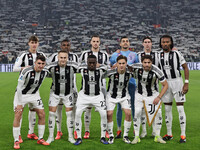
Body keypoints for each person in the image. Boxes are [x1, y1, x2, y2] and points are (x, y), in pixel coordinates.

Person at [13, 35, 46, 143]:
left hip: (34, 89)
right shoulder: (23, 55)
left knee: (33, 111)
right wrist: (26, 68)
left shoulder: (42, 55)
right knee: (19, 112)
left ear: (38, 44)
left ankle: (31, 132)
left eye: (36, 42)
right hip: (23, 87)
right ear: (29, 43)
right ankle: (18, 136)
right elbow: (14, 68)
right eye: (32, 42)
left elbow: (46, 68)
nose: (34, 44)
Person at [158, 35, 189, 143]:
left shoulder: (176, 53)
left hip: (177, 82)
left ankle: (183, 135)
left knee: (180, 108)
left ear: (171, 43)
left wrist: (186, 83)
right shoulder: (158, 55)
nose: (165, 44)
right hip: (166, 84)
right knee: (167, 109)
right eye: (163, 42)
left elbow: (185, 67)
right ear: (161, 43)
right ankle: (169, 134)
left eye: (167, 42)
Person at [130, 55, 168, 144]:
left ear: (152, 62)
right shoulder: (136, 67)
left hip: (153, 95)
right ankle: (136, 137)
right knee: (137, 112)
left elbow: (165, 85)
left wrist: (159, 97)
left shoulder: (156, 70)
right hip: (139, 94)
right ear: (142, 63)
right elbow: (125, 67)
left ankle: (157, 136)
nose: (147, 65)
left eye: (149, 62)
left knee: (158, 113)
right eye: (145, 62)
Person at [79, 35, 110, 139]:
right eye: (94, 41)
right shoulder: (84, 54)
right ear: (91, 42)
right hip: (87, 84)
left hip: (101, 85)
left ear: (100, 43)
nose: (96, 43)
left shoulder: (104, 55)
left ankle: (105, 131)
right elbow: (79, 66)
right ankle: (87, 131)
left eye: (97, 41)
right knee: (88, 109)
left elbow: (108, 67)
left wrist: (100, 66)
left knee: (103, 110)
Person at [47, 39, 78, 140]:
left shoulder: (75, 58)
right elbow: (46, 71)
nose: (66, 46)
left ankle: (74, 133)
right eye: (64, 45)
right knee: (57, 112)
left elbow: (82, 68)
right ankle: (58, 131)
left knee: (72, 111)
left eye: (67, 45)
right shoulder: (53, 60)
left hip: (71, 89)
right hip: (56, 90)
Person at [74, 55, 108, 145]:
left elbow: (106, 67)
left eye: (94, 63)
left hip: (97, 96)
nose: (92, 65)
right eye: (90, 63)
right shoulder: (82, 70)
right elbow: (76, 66)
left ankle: (103, 137)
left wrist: (100, 65)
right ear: (87, 63)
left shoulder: (100, 70)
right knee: (77, 114)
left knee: (104, 114)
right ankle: (78, 137)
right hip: (84, 96)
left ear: (96, 63)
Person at [109, 36, 139, 138]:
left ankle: (135, 129)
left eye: (127, 41)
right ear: (120, 44)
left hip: (131, 83)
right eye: (123, 41)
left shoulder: (134, 55)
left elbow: (138, 68)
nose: (125, 43)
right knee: (119, 107)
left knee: (132, 106)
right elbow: (111, 67)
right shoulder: (115, 55)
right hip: (119, 84)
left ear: (129, 44)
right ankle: (119, 129)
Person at [106, 55, 133, 144]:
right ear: (116, 64)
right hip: (111, 96)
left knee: (128, 114)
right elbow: (100, 76)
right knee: (109, 114)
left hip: (124, 96)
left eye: (123, 63)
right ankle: (111, 136)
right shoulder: (111, 73)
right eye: (120, 63)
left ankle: (125, 136)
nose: (121, 65)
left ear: (126, 64)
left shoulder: (130, 72)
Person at [137, 36, 160, 138]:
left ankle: (155, 131)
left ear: (151, 44)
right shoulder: (138, 55)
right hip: (141, 87)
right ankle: (144, 131)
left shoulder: (157, 55)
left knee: (154, 109)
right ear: (143, 44)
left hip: (154, 86)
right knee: (142, 110)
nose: (147, 44)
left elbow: (160, 68)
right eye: (145, 42)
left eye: (149, 42)